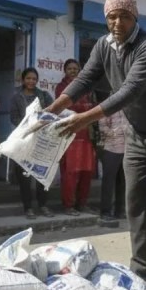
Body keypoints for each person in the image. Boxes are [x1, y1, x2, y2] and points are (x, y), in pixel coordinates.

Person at [47, 0, 146, 290]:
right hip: (138, 131)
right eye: (112, 17)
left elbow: (130, 90)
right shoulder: (104, 46)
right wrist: (51, 110)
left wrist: (84, 118)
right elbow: (84, 79)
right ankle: (142, 266)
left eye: (125, 17)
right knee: (135, 200)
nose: (117, 23)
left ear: (135, 17)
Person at [10, 67, 54, 219]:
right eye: (28, 78)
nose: (31, 81)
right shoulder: (16, 97)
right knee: (25, 175)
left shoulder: (44, 95)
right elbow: (14, 118)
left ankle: (43, 205)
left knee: (42, 174)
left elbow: (52, 113)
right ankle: (28, 207)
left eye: (34, 79)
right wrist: (29, 126)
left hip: (42, 140)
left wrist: (41, 125)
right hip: (24, 139)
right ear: (23, 80)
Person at [56, 58, 97, 216]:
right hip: (70, 134)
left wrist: (86, 109)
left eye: (75, 68)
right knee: (70, 172)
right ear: (65, 71)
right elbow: (64, 106)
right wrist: (86, 108)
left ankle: (82, 204)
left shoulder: (86, 87)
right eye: (70, 68)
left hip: (86, 134)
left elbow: (94, 106)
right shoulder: (61, 87)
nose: (73, 71)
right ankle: (68, 205)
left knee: (86, 171)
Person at [97, 109, 127, 228]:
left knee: (123, 182)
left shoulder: (128, 108)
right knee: (108, 182)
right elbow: (102, 125)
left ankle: (120, 210)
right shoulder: (109, 107)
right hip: (111, 149)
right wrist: (114, 132)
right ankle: (105, 212)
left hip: (127, 149)